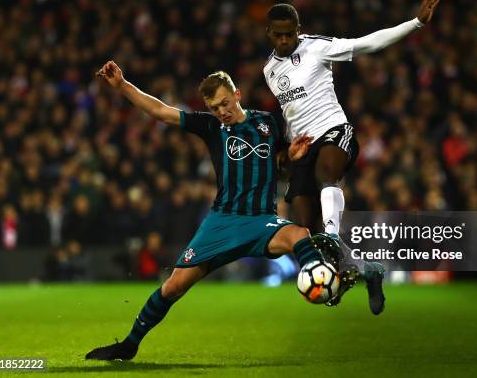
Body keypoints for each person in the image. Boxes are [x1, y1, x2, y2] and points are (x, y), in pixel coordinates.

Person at [86, 62, 334, 361]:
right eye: (214, 107)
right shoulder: (212, 127)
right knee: (173, 287)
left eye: (225, 104)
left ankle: (322, 279)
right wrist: (123, 85)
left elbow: (280, 162)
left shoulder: (268, 123)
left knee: (300, 234)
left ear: (237, 95)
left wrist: (291, 156)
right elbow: (160, 111)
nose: (221, 112)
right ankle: (129, 344)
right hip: (222, 221)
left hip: (261, 220)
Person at [263, 0, 441, 313]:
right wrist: (286, 151)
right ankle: (364, 271)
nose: (285, 40)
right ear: (269, 34)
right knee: (308, 232)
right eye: (278, 35)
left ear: (298, 31)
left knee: (327, 173)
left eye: (290, 34)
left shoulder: (318, 48)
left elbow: (365, 44)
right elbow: (290, 114)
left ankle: (333, 233)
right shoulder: (269, 71)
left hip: (334, 130)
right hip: (302, 147)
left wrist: (415, 22)